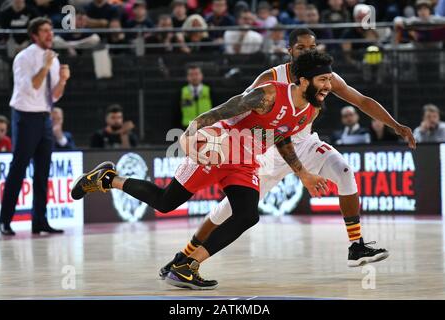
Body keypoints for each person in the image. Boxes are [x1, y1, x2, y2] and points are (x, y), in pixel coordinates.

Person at [158, 28, 416, 282]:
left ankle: (356, 246)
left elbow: (361, 101)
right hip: (269, 150)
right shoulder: (269, 80)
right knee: (228, 211)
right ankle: (183, 256)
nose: (307, 51)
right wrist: (214, 137)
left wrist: (395, 125)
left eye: (312, 47)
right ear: (289, 50)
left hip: (304, 144)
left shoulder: (324, 76)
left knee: (345, 172)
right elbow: (240, 110)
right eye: (301, 48)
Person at [71, 50, 334, 289]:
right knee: (165, 202)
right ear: (302, 81)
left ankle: (186, 265)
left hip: (245, 160)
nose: (328, 86)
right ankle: (109, 179)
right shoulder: (269, 94)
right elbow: (223, 109)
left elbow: (282, 136)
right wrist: (190, 133)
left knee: (247, 215)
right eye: (322, 80)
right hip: (217, 147)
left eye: (329, 80)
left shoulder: (311, 111)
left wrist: (303, 173)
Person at [0, 17, 70, 236]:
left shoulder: (54, 60)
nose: (50, 35)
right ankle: (5, 221)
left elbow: (54, 96)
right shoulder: (24, 57)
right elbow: (32, 88)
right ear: (34, 35)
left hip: (44, 117)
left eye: (51, 30)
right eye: (45, 31)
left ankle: (40, 221)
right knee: (18, 169)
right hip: (25, 116)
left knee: (43, 172)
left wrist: (63, 80)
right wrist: (46, 66)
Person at [179, 65, 213, 129]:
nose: (194, 77)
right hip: (188, 127)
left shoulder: (210, 91)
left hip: (207, 127)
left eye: (196, 74)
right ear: (187, 77)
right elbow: (177, 112)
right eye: (191, 75)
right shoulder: (181, 92)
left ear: (201, 75)